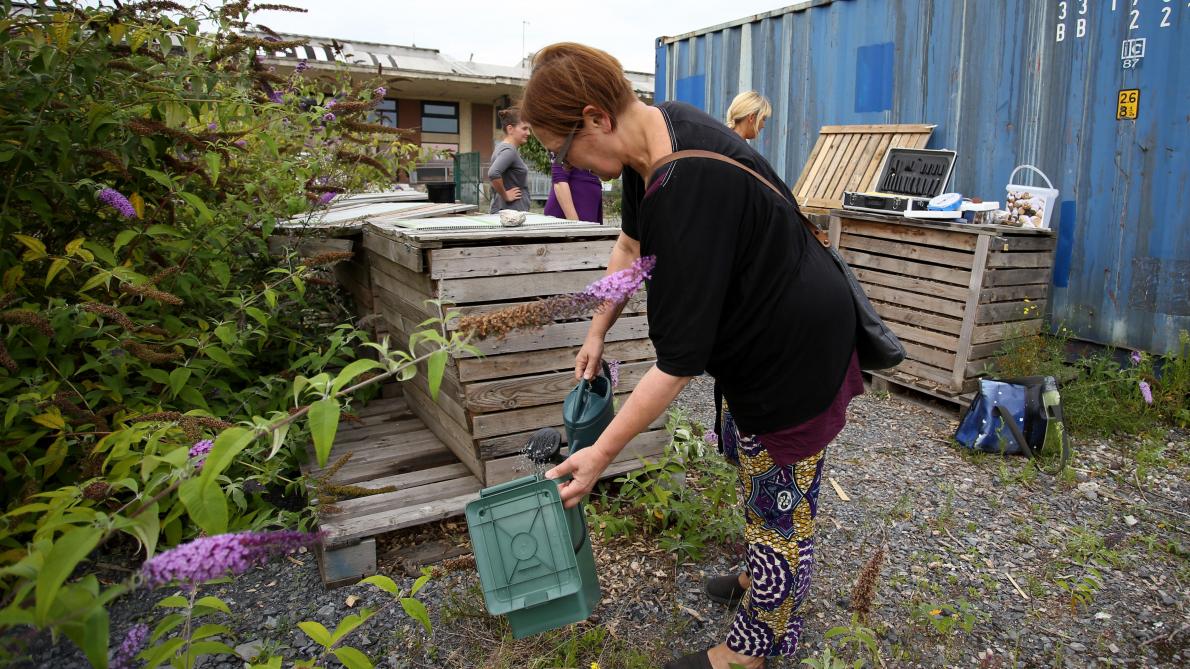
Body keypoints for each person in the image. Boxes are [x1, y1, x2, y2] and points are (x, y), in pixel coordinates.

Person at [522, 43, 862, 669]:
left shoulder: (684, 186)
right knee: (751, 458)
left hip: (793, 347)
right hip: (766, 324)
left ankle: (751, 650)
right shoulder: (651, 135)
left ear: (594, 117)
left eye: (558, 148)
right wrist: (597, 328)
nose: (560, 162)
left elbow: (677, 363)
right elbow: (629, 247)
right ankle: (765, 575)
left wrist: (598, 454)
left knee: (781, 498)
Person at [488, 107, 532, 213]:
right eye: (524, 128)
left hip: (509, 211)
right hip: (512, 214)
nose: (529, 133)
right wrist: (506, 195)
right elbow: (493, 173)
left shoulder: (502, 147)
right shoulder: (509, 150)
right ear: (510, 129)